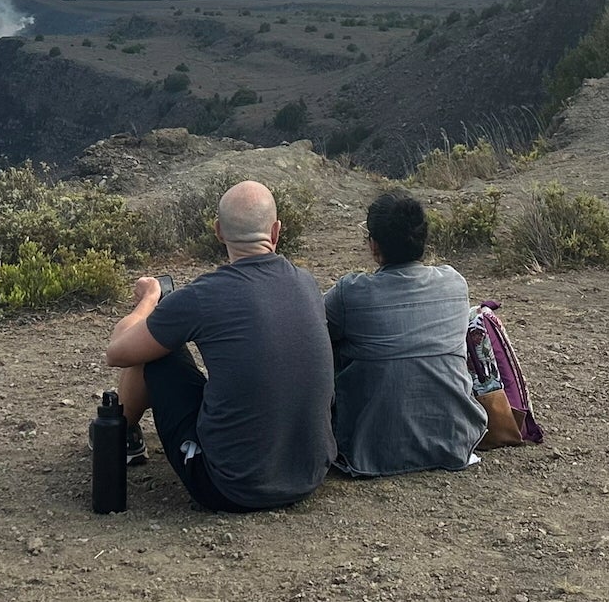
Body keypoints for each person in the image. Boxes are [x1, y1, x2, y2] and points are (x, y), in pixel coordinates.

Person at [105, 181, 334, 511]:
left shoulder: (204, 295)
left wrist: (149, 300)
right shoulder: (307, 283)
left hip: (229, 487)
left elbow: (119, 351)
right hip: (309, 475)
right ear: (276, 231)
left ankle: (119, 437)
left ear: (218, 232)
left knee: (155, 353)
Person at [324, 193, 485, 477]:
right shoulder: (454, 283)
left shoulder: (351, 292)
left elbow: (310, 327)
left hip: (368, 451)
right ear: (423, 239)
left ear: (374, 246)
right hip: (455, 441)